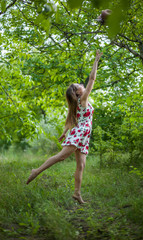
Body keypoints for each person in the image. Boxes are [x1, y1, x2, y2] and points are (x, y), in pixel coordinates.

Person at [26, 50, 103, 204]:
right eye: (79, 86)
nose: (82, 85)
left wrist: (64, 132)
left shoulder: (77, 104)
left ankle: (77, 194)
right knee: (61, 156)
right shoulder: (83, 100)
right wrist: (96, 60)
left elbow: (71, 119)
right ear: (77, 92)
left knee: (81, 165)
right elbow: (92, 79)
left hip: (84, 135)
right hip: (80, 133)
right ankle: (37, 171)